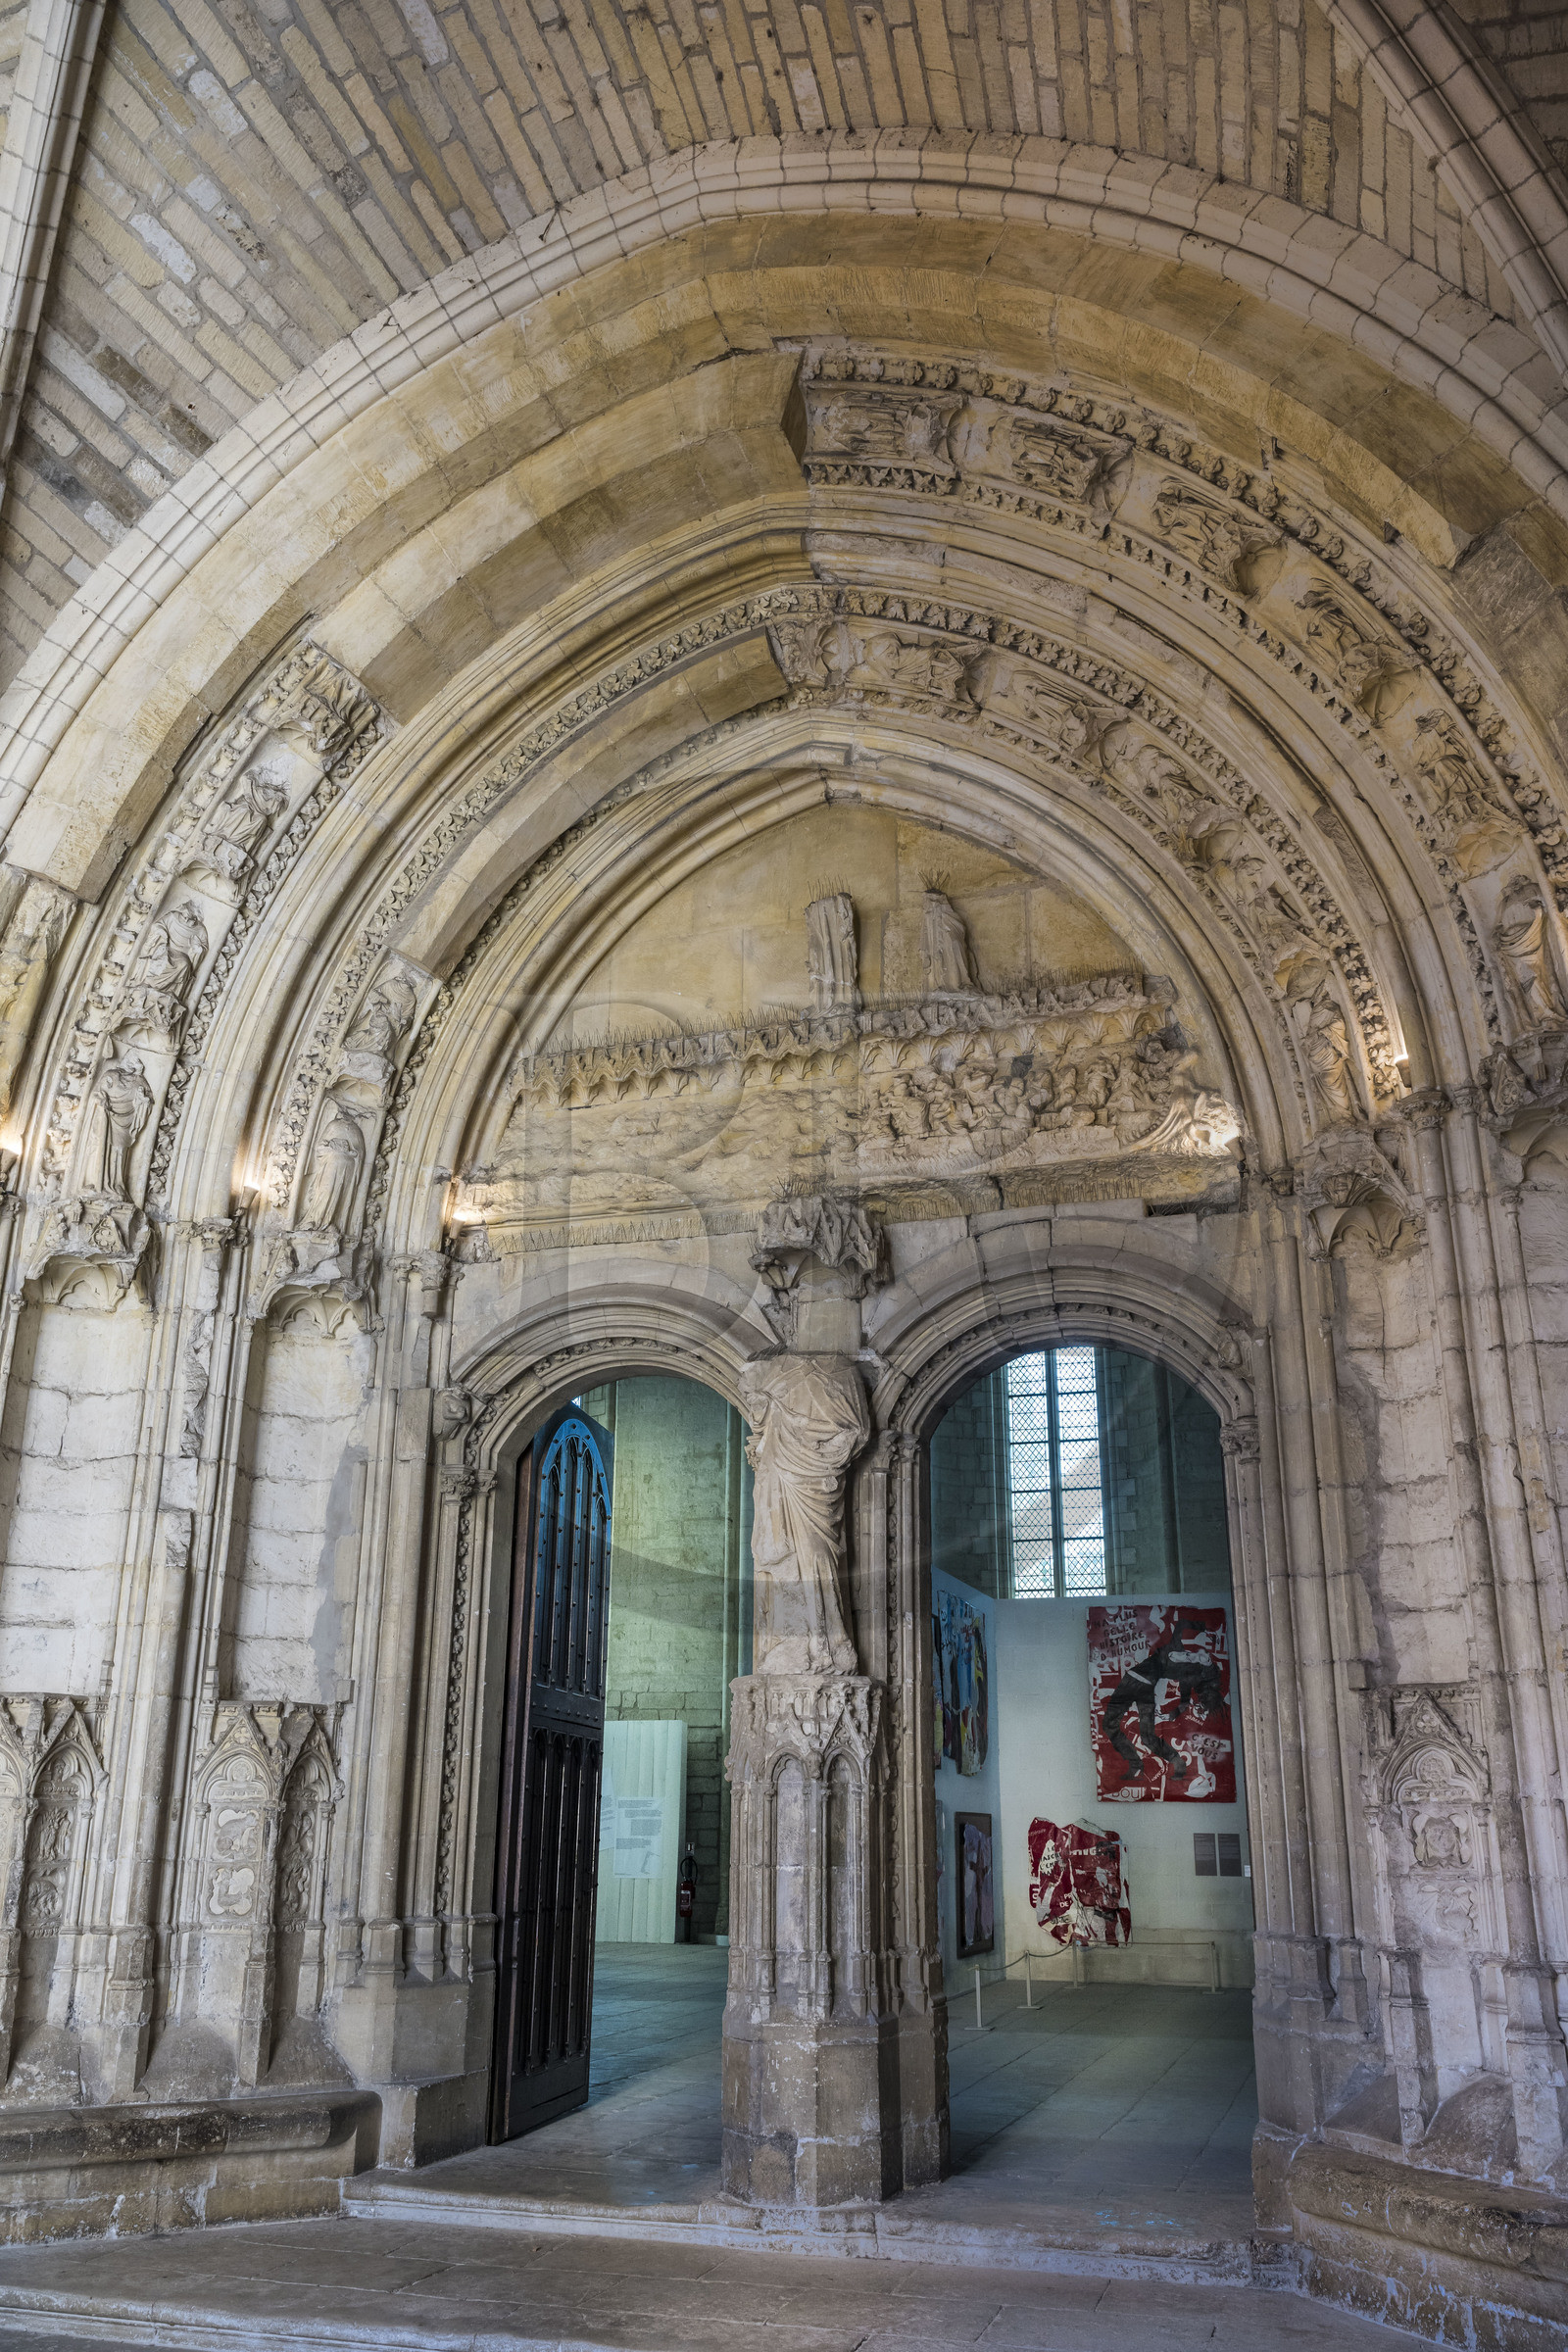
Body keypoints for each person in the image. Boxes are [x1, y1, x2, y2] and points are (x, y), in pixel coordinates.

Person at [1101, 1615, 1225, 1787]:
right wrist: (1205, 1625)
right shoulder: (1176, 1644)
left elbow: (1184, 1703)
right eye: (1191, 1654)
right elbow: (1182, 1622)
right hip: (1129, 1681)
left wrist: (1168, 1717)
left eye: (1192, 1659)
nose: (1189, 1657)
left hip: (1146, 1691)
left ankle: (1178, 1763)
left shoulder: (1186, 1675)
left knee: (1147, 1738)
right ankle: (1135, 1763)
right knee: (1109, 1724)